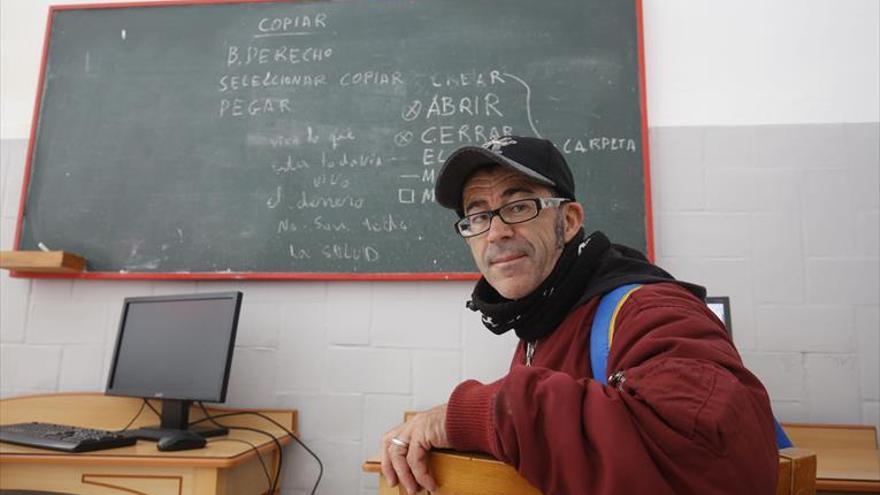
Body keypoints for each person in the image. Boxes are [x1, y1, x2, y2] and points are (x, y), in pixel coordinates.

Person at [380, 136, 778, 494]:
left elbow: (716, 462)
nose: (495, 233)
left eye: (518, 206)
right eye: (479, 215)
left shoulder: (649, 311)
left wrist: (470, 415)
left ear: (568, 222)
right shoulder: (545, 318)